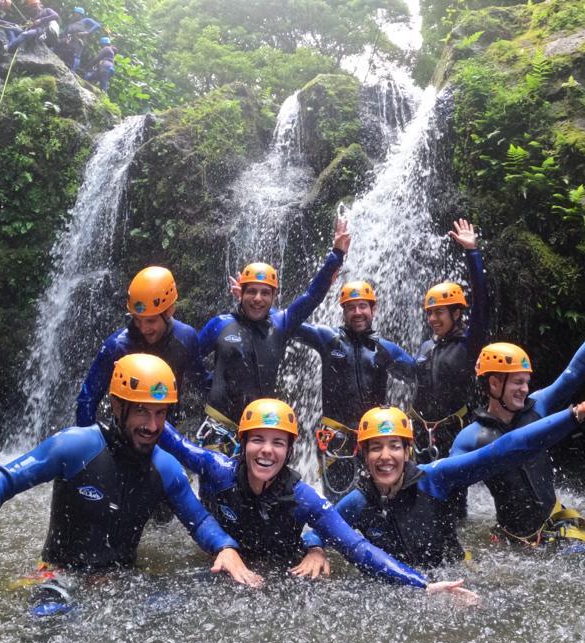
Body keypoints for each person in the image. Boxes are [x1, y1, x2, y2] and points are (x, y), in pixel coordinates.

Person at [0, 355, 261, 616]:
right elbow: (3, 478)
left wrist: (225, 547)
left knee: (183, 611)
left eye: (160, 414)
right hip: (60, 576)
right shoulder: (75, 446)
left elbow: (200, 520)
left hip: (120, 581)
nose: (152, 426)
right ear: (118, 406)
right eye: (141, 411)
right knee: (48, 625)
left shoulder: (166, 467)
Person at [158, 397, 478, 600]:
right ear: (242, 444)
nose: (267, 450)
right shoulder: (216, 468)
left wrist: (421, 584)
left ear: (289, 451)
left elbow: (356, 548)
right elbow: (171, 440)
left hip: (278, 574)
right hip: (220, 566)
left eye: (278, 443)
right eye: (257, 440)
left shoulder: (303, 497)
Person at [335, 356, 585, 566]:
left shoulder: (435, 478)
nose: (385, 457)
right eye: (375, 448)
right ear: (363, 454)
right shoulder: (357, 502)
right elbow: (318, 524)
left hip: (451, 576)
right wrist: (315, 550)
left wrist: (578, 412)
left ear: (408, 451)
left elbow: (505, 448)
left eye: (394, 447)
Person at [452, 285, 585, 551]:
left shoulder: (538, 407)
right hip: (512, 540)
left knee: (584, 563)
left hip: (555, 525)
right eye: (517, 382)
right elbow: (446, 487)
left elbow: (574, 373)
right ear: (493, 384)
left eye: (526, 382)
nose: (525, 389)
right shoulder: (470, 438)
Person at [196, 218, 349, 455]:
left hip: (259, 428)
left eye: (264, 293)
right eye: (252, 292)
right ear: (241, 294)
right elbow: (189, 358)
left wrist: (336, 254)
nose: (258, 298)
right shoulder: (220, 324)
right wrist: (208, 383)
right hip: (219, 427)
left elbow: (311, 297)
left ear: (273, 297)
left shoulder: (281, 324)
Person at [293, 279, 415, 500]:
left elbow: (421, 376)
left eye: (363, 306)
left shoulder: (385, 349)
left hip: (374, 441)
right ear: (343, 311)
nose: (357, 312)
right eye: (351, 307)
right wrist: (259, 304)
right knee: (338, 508)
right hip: (336, 441)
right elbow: (289, 322)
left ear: (373, 309)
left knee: (378, 505)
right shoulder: (329, 339)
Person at [411, 218, 489, 532]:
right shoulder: (426, 347)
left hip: (452, 433)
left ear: (457, 314)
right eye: (429, 313)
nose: (432, 319)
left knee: (454, 504)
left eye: (439, 312)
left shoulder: (469, 345)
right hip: (418, 432)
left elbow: (482, 303)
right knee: (418, 497)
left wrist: (472, 253)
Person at [76, 266, 209, 427]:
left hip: (166, 430)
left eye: (151, 321)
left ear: (169, 311)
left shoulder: (185, 339)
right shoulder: (117, 347)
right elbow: (88, 398)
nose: (144, 328)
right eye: (137, 320)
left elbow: (202, 382)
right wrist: (90, 442)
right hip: (125, 433)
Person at [61, 7, 103, 72]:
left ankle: (73, 71)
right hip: (70, 41)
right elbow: (65, 32)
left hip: (79, 41)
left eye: (76, 13)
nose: (74, 15)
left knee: (76, 55)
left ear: (80, 15)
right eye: (74, 13)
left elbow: (97, 25)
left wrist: (87, 32)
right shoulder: (72, 23)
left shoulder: (85, 20)